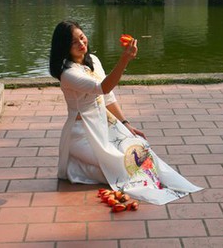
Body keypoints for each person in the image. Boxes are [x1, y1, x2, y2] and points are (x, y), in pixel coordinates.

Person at [49, 20, 202, 205]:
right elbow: (103, 88)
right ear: (64, 47)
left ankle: (86, 166)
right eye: (74, 42)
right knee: (121, 169)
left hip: (105, 125)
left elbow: (108, 98)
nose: (82, 44)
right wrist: (124, 59)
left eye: (82, 37)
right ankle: (75, 167)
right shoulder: (68, 74)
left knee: (140, 151)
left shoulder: (94, 61)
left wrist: (126, 123)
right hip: (82, 134)